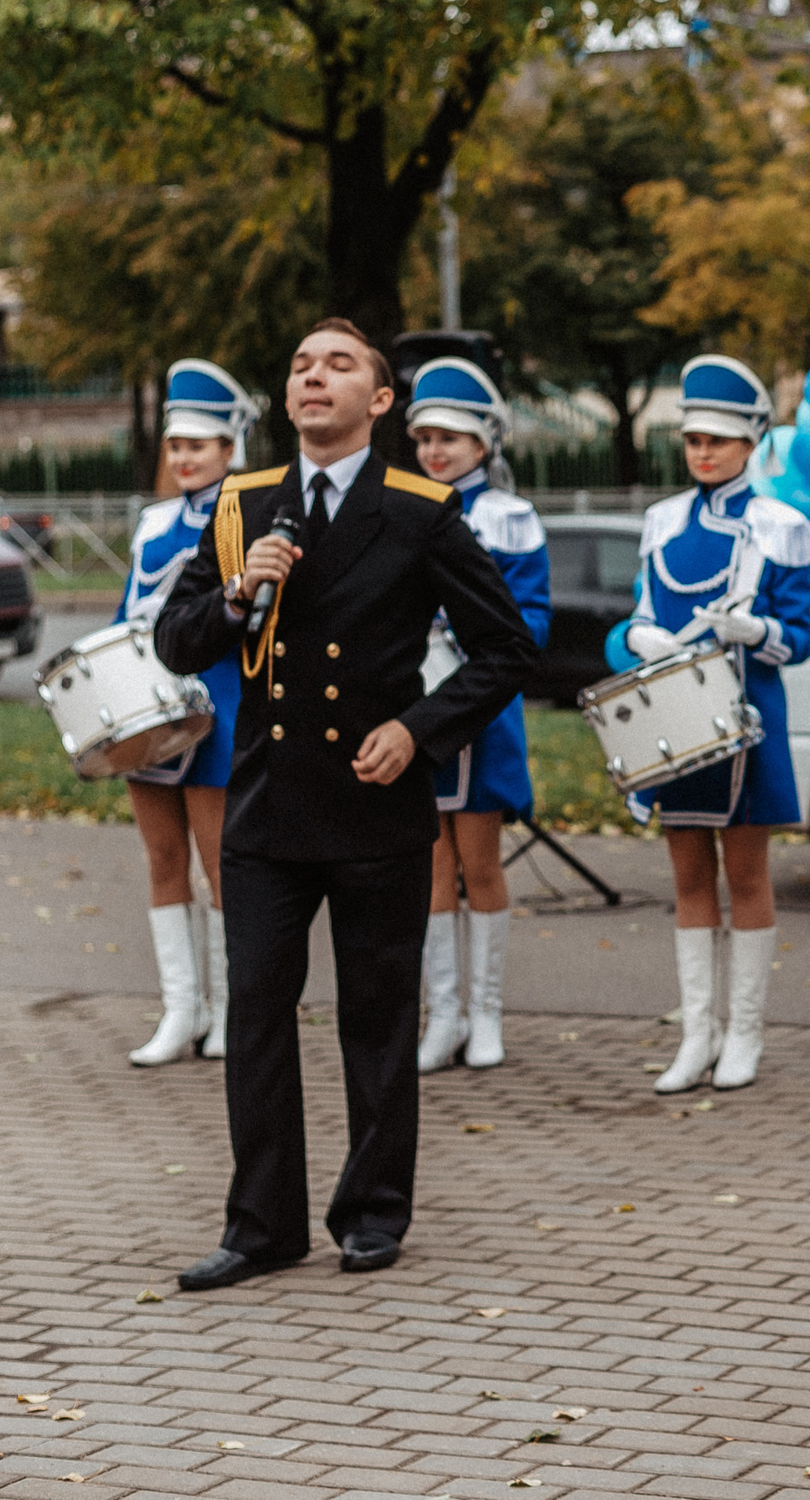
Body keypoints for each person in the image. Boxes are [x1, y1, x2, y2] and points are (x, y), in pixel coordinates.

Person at [154, 316, 540, 1290]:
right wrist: (239, 595)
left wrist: (420, 727)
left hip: (375, 804)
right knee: (255, 1013)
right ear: (287, 399)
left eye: (338, 364)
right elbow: (175, 637)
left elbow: (505, 647)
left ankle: (371, 1211)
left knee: (374, 1017)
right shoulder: (243, 504)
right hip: (269, 807)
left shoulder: (418, 505)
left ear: (379, 400)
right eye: (299, 365)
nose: (313, 376)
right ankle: (262, 1224)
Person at [603, 355, 810, 1093]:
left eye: (719, 440)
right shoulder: (661, 521)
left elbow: (801, 638)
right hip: (674, 723)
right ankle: (698, 1033)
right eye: (694, 438)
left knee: (747, 875)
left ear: (752, 441)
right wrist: (637, 639)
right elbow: (632, 618)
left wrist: (755, 631)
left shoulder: (781, 527)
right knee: (688, 875)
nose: (703, 451)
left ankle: (746, 1034)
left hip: (746, 724)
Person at [405, 358, 554, 1073]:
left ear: (485, 443)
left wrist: (463, 632)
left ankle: (488, 1013)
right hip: (417, 708)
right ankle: (445, 1013)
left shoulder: (510, 518)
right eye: (425, 436)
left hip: (484, 710)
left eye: (452, 438)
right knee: (429, 865)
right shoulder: (401, 507)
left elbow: (530, 624)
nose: (436, 450)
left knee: (481, 863)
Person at [116, 359, 258, 1066]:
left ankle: (233, 1009)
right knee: (162, 857)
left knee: (219, 864)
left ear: (231, 448)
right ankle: (182, 1008)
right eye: (176, 447)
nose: (183, 458)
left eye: (197, 446)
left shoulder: (243, 518)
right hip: (148, 707)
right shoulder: (153, 523)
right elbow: (127, 615)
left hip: (221, 708)